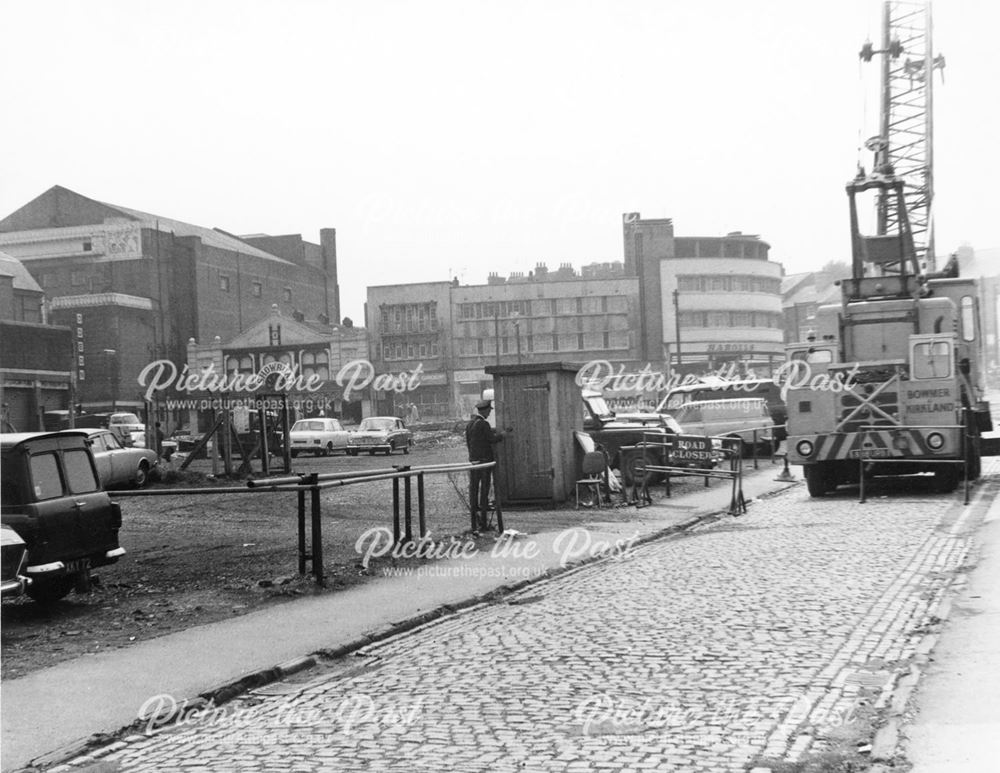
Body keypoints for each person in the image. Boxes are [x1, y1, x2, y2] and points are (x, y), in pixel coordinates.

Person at [465, 399, 504, 531]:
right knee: (485, 485)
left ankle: (474, 508)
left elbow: (469, 442)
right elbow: (491, 440)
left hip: (474, 460)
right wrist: (502, 435)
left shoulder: (470, 424)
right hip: (485, 460)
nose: (489, 413)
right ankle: (483, 508)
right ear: (485, 410)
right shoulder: (484, 424)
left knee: (474, 486)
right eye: (488, 411)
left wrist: (472, 457)